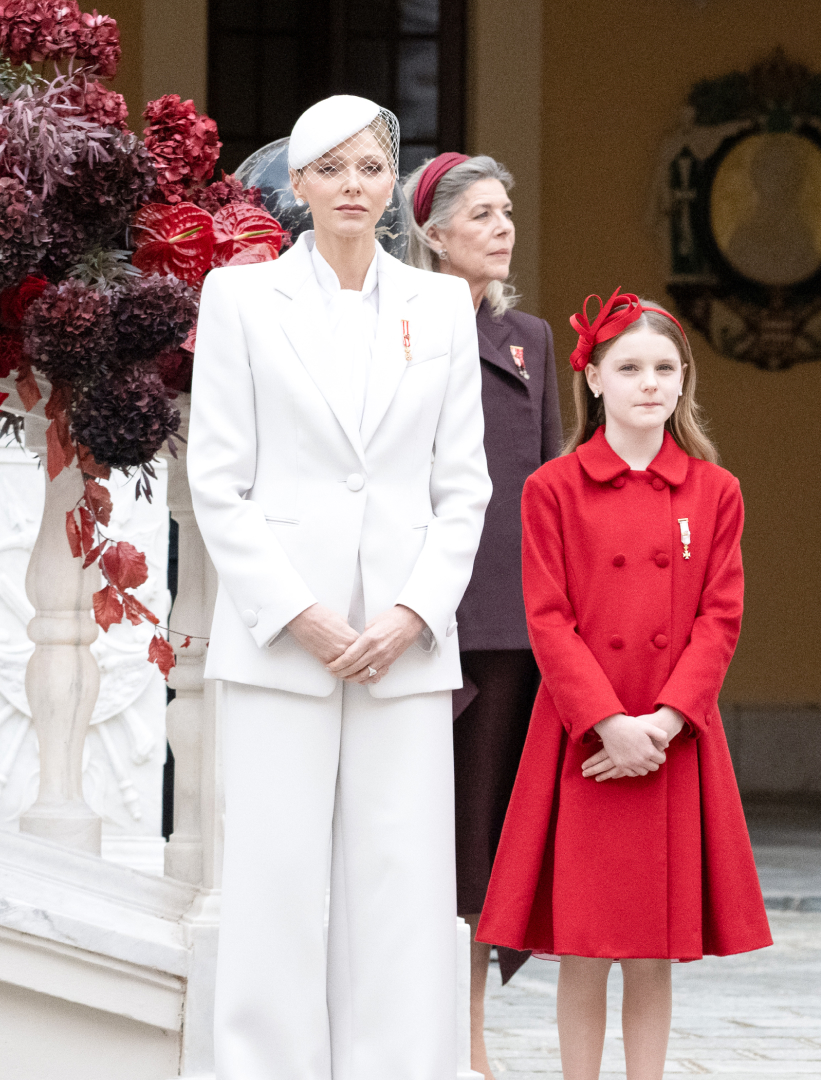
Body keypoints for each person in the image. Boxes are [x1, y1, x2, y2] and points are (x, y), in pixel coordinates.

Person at [188, 95, 492, 1078]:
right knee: (273, 879)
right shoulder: (240, 300)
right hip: (284, 641)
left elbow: (464, 485)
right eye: (333, 169)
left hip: (403, 642)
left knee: (402, 884)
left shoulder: (440, 304)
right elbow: (218, 482)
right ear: (301, 185)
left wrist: (413, 611)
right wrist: (298, 613)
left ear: (391, 185)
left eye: (371, 168)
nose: (354, 186)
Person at [478, 291, 769, 1080]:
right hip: (583, 738)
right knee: (584, 944)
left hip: (674, 738)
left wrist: (666, 723)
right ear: (594, 379)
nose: (650, 382)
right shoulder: (553, 488)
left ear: (684, 384)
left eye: (665, 368)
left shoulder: (716, 491)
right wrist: (608, 724)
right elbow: (547, 618)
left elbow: (720, 618)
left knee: (651, 950)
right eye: (630, 366)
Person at [403, 150, 562, 1078]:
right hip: (413, 617)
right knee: (405, 834)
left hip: (505, 623)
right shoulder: (396, 331)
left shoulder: (528, 339)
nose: (504, 229)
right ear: (434, 234)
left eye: (508, 213)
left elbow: (548, 485)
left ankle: (467, 1043)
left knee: (479, 846)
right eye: (484, 216)